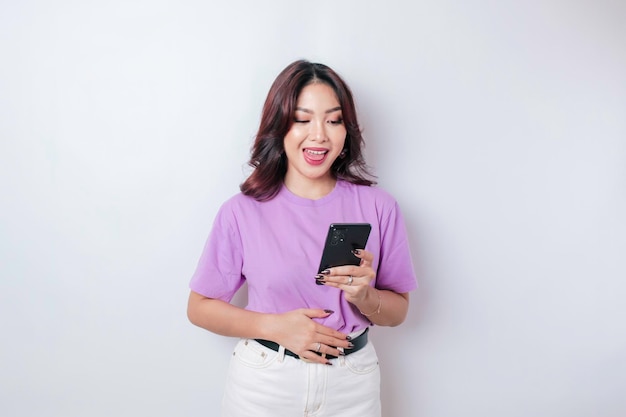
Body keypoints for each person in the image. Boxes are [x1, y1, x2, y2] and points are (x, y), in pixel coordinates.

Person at [187, 59, 417, 417]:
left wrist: (365, 296)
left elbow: (397, 312)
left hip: (352, 384)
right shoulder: (242, 211)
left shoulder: (379, 207)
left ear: (347, 129)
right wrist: (274, 327)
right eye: (302, 118)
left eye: (333, 119)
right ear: (280, 126)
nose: (319, 135)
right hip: (265, 383)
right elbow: (199, 307)